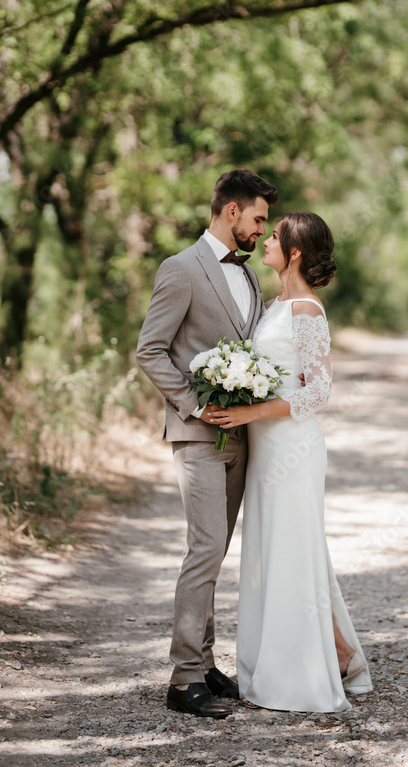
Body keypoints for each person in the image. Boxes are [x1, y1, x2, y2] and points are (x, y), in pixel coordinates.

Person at [209, 212, 373, 712]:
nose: (266, 241)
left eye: (275, 236)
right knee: (275, 556)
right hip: (266, 448)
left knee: (292, 555)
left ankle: (303, 671)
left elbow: (319, 390)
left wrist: (249, 409)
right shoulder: (274, 305)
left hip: (294, 449)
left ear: (295, 251)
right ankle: (341, 655)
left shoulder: (306, 310)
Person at [136, 168, 278, 719]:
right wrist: (195, 404)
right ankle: (182, 678)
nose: (263, 232)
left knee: (216, 551)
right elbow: (151, 350)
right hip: (196, 433)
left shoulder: (250, 277)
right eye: (259, 219)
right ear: (232, 211)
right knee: (204, 548)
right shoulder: (181, 269)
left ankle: (206, 662)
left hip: (240, 436)